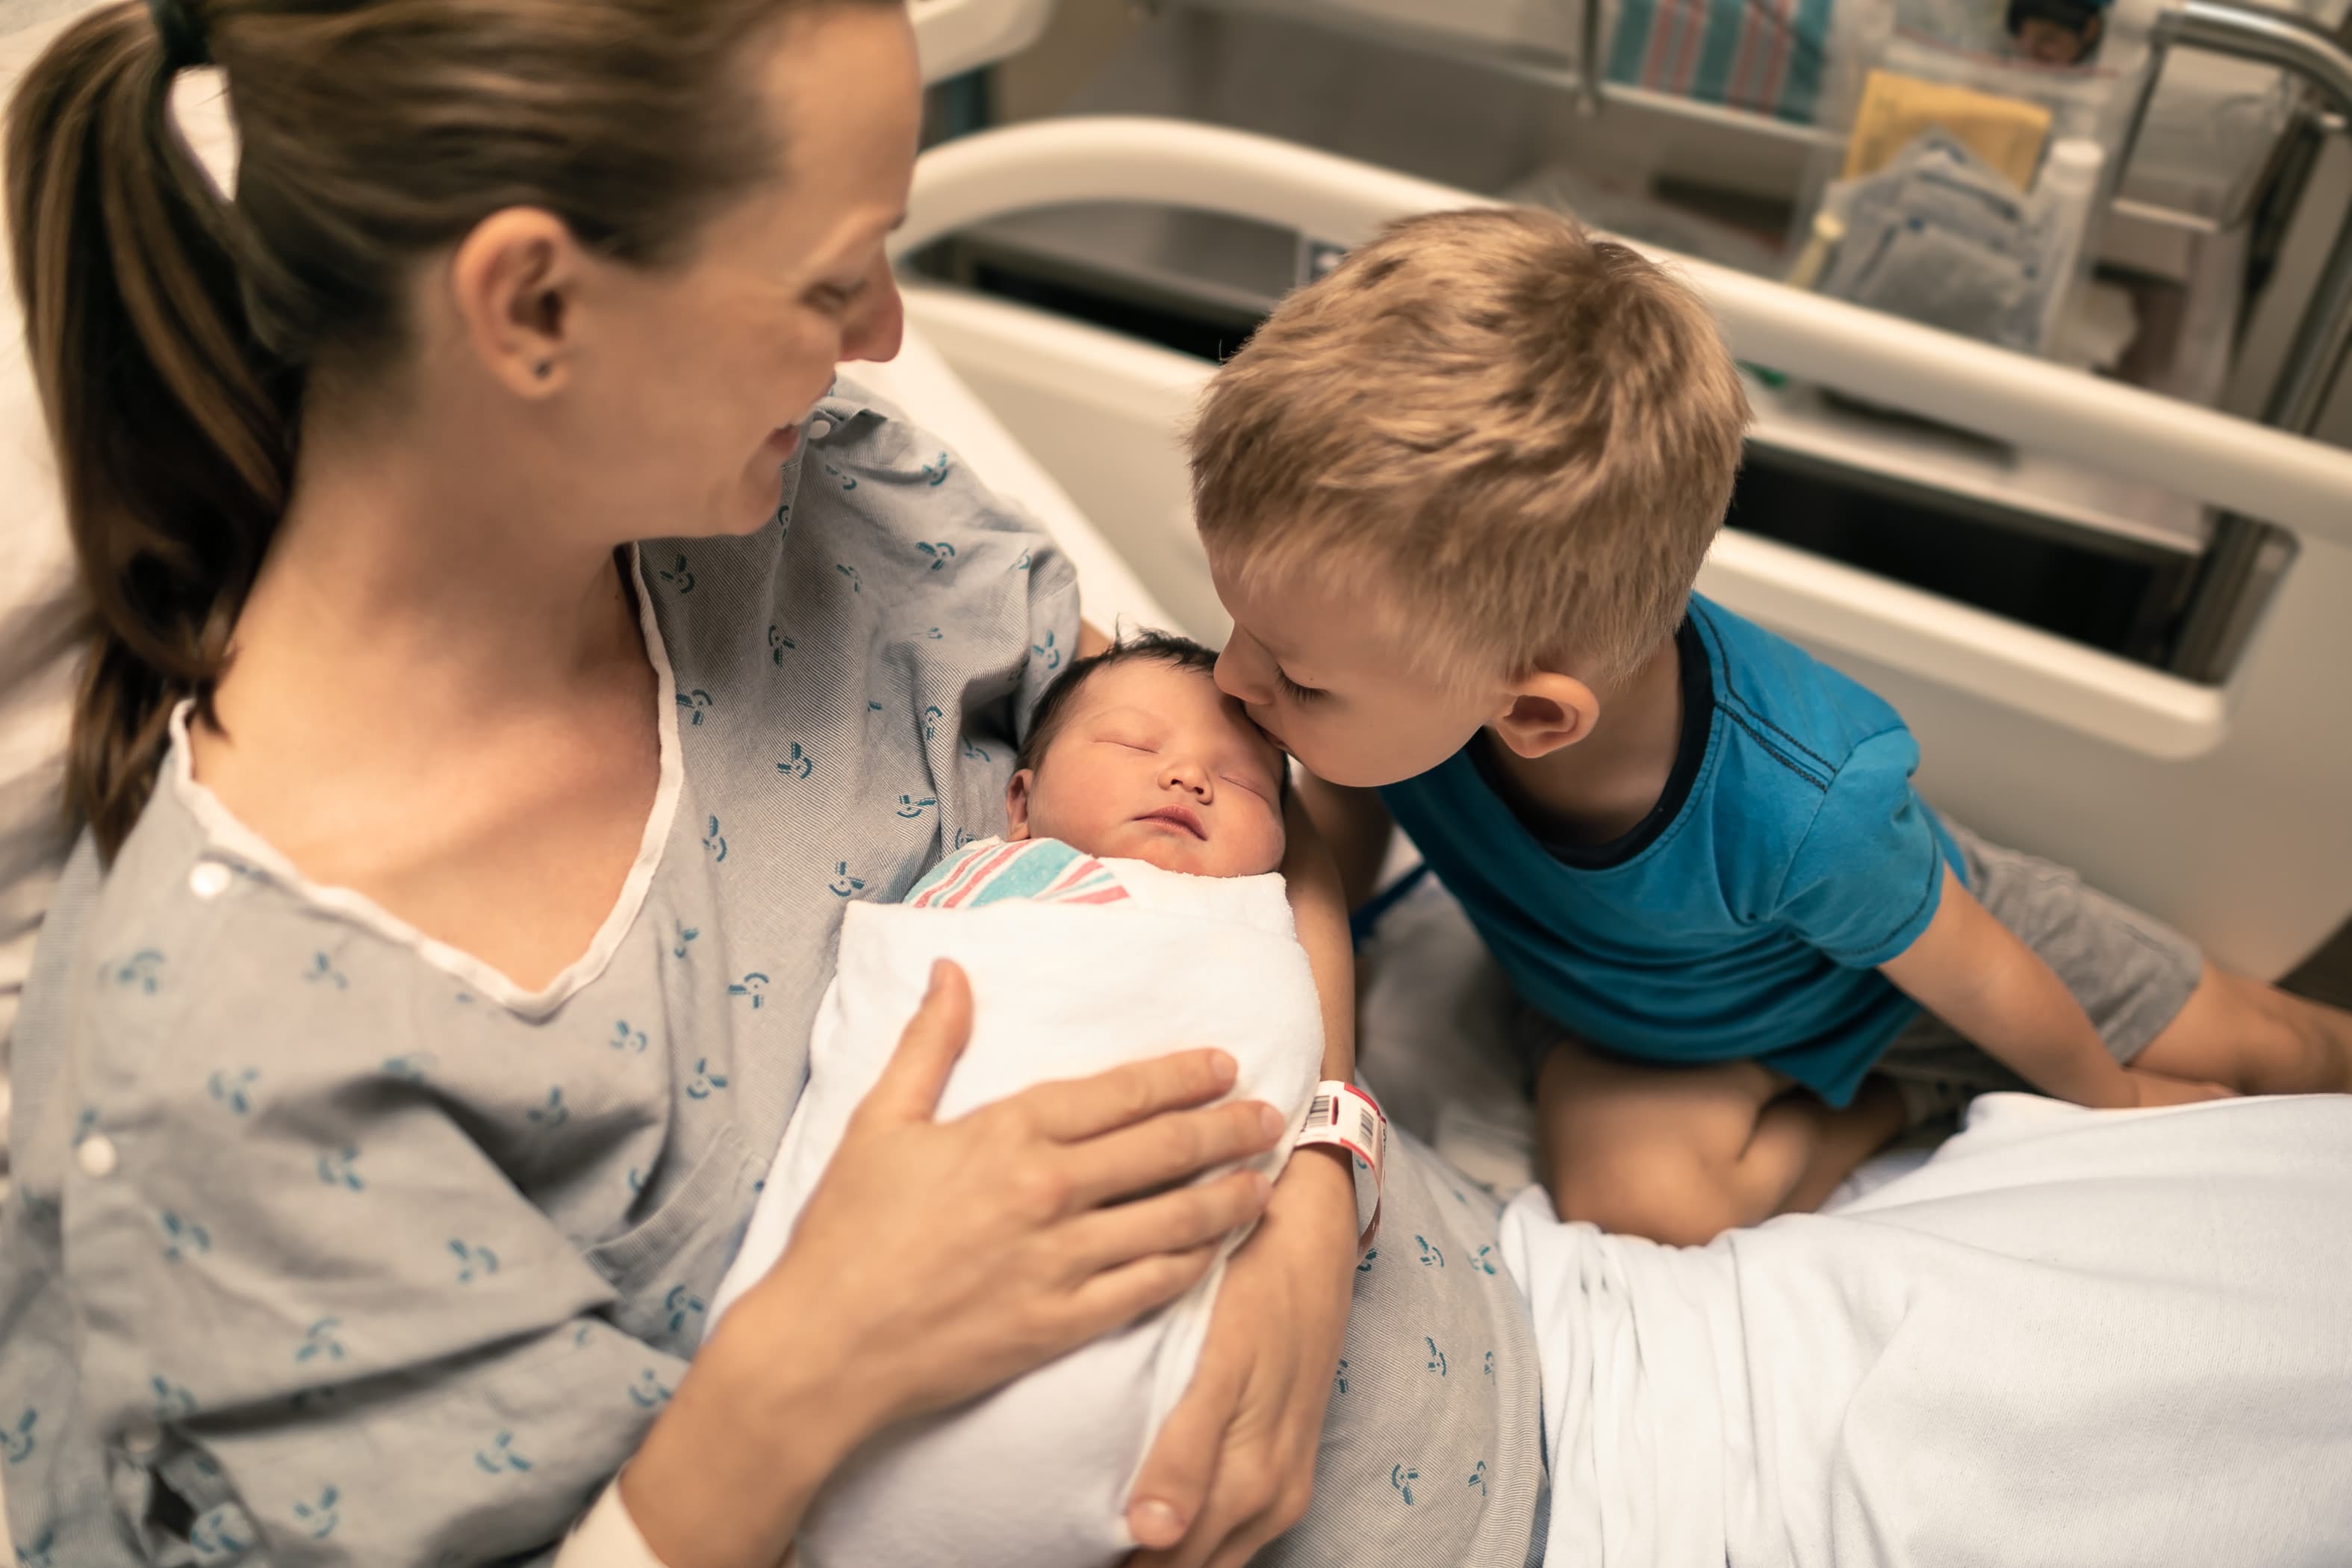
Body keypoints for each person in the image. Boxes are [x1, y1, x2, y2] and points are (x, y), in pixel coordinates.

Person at [0, 4, 1544, 1565]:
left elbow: (1244, 791)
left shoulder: (821, 505)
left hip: (1534, 1339)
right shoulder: (251, 1063)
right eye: (830, 275)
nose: (884, 332)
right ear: (535, 304)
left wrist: (1318, 1172)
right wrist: (816, 1356)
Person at [1190, 206, 2352, 1246]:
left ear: (1532, 713)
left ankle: (1952, 1071)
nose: (1235, 677)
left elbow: (1984, 977)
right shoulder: (1393, 701)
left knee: (2280, 1054)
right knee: (1639, 1209)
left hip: (1908, 971)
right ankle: (1898, 1103)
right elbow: (1342, 816)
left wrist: (2109, 1102)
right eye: (1241, 628)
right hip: (1643, 1024)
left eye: (1295, 677)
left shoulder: (1801, 803)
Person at [712, 634, 1335, 1567]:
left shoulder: (1248, 931)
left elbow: (1281, 1031)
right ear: (1019, 805)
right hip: (874, 1285)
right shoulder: (986, 895)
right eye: (1134, 744)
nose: (1189, 778)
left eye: (1244, 783)